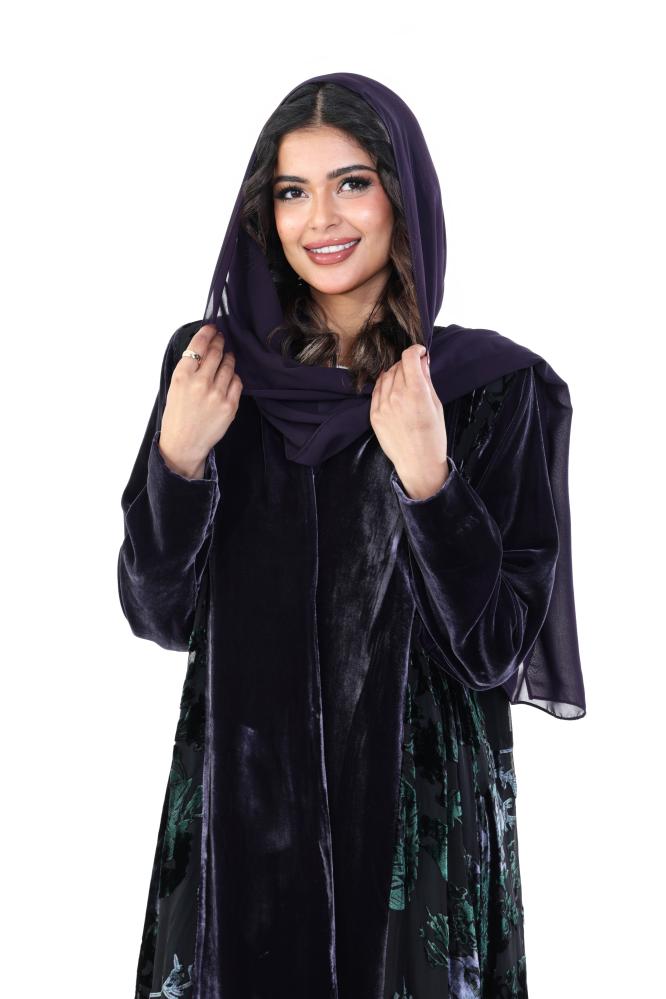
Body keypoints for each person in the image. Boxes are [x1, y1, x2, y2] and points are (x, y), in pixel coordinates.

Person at [118, 72, 586, 999]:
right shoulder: (212, 370)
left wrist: (429, 482)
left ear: (402, 194)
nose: (321, 219)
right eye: (292, 191)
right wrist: (178, 459)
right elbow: (157, 613)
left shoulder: (488, 387)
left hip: (417, 829)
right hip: (241, 825)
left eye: (353, 183)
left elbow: (496, 648)